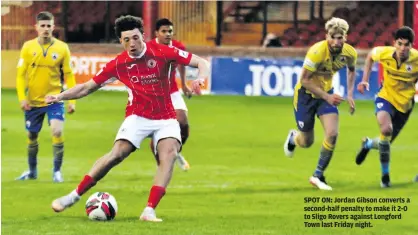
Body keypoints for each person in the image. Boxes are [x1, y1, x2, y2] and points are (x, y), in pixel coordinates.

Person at [48, 15, 209, 222]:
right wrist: (60, 97)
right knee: (117, 154)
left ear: (143, 35)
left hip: (165, 116)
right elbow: (87, 87)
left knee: (168, 154)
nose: (132, 44)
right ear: (120, 42)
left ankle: (149, 210)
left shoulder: (162, 51)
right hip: (137, 116)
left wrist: (199, 79)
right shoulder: (118, 64)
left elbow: (201, 62)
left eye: (135, 38)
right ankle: (73, 196)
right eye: (126, 40)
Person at [283, 17, 357, 190]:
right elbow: (305, 80)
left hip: (326, 94)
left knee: (332, 133)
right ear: (327, 36)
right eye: (333, 37)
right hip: (306, 96)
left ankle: (318, 175)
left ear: (345, 37)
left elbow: (352, 70)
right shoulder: (316, 52)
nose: (337, 41)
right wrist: (327, 96)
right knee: (306, 142)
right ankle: (293, 138)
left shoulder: (350, 53)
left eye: (340, 37)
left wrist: (350, 94)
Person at [15, 11, 76, 182]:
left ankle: (57, 172)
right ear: (36, 28)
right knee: (32, 136)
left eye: (49, 25)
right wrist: (22, 97)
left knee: (57, 130)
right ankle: (32, 171)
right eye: (42, 26)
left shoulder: (62, 48)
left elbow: (69, 75)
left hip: (54, 99)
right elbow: (20, 75)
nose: (46, 29)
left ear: (53, 27)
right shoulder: (28, 47)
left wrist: (71, 99)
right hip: (33, 101)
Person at [355, 26, 418, 188]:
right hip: (386, 97)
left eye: (407, 45)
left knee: (385, 143)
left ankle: (368, 144)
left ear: (412, 45)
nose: (403, 48)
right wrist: (365, 80)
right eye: (400, 44)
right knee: (386, 130)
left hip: (405, 105)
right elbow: (370, 56)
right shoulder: (384, 53)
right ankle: (385, 177)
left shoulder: (416, 59)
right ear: (394, 43)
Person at [149, 18, 191, 171]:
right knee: (156, 132)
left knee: (183, 122)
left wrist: (184, 84)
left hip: (172, 91)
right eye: (164, 31)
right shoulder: (148, 48)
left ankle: (176, 152)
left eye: (170, 31)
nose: (168, 34)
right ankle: (162, 166)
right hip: (153, 94)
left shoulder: (178, 47)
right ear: (156, 33)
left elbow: (182, 64)